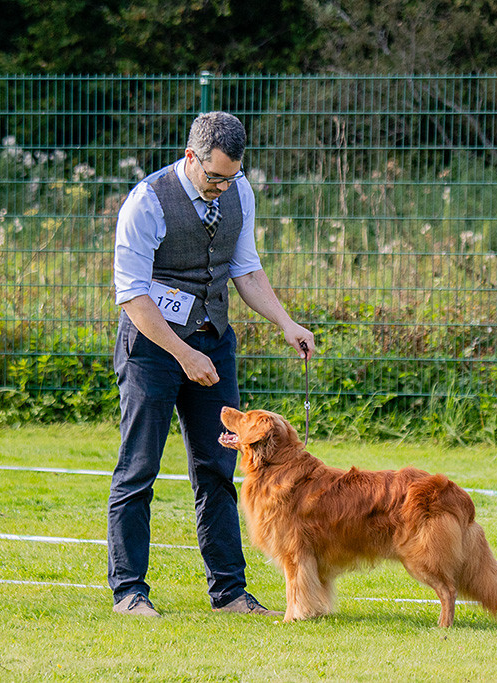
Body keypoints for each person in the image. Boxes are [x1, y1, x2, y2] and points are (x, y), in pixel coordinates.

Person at [109, 111, 315, 617]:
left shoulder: (239, 191)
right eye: (214, 176)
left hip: (213, 343)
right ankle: (130, 591)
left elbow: (244, 270)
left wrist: (286, 323)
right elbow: (132, 295)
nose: (223, 185)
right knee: (139, 470)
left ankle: (228, 593)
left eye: (231, 176)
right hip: (153, 350)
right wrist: (184, 354)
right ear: (190, 157)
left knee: (220, 469)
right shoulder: (146, 202)